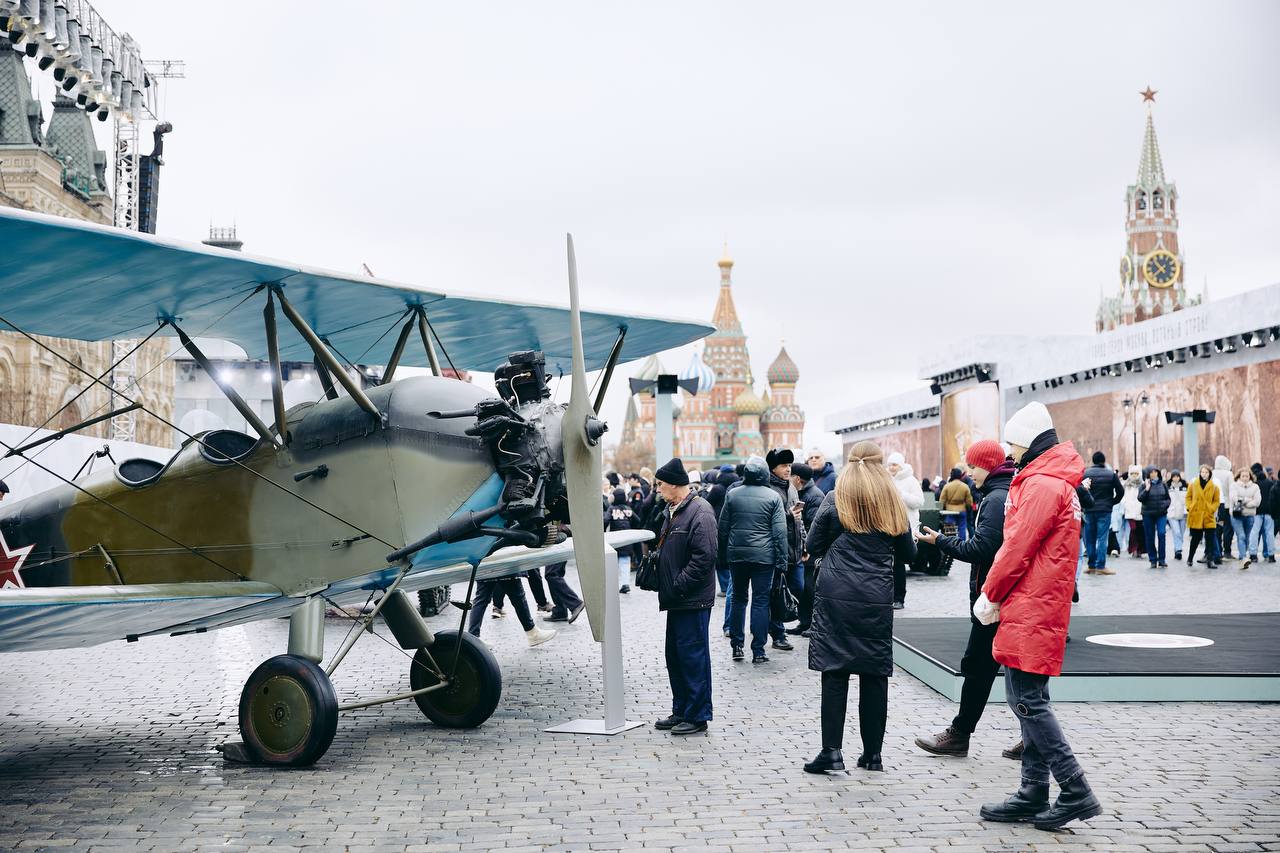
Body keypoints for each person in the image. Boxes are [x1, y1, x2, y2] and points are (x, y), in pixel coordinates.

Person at [975, 402, 1102, 831]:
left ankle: (1074, 788)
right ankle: (1033, 791)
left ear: (1027, 440)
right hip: (1036, 603)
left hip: (1032, 602)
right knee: (1026, 696)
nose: (1009, 454)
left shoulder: (1044, 484)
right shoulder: (1049, 479)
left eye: (1012, 443)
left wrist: (990, 593)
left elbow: (1016, 547)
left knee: (1027, 700)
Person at [802, 441, 914, 775]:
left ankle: (831, 753)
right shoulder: (892, 500)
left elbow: (812, 545)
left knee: (834, 671)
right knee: (874, 673)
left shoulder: (836, 498)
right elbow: (908, 553)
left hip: (836, 592)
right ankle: (872, 755)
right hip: (875, 596)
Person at [914, 439, 1017, 759]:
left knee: (979, 666)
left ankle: (960, 734)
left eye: (973, 466)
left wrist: (940, 541)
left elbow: (982, 550)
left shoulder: (996, 498)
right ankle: (1033, 737)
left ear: (987, 465)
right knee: (1010, 669)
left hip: (995, 597)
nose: (968, 472)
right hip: (1001, 596)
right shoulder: (1000, 493)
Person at [650, 457, 717, 736]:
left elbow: (705, 557)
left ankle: (698, 715)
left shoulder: (699, 511)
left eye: (661, 484)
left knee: (693, 656)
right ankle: (682, 710)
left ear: (676, 485)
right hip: (677, 598)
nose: (657, 489)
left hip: (691, 597)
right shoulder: (675, 510)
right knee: (676, 656)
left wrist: (679, 584)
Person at [718, 455, 788, 664]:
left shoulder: (733, 495)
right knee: (760, 601)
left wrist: (722, 556)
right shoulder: (773, 497)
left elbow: (723, 529)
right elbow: (779, 532)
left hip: (737, 556)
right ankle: (758, 650)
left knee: (739, 599)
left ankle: (737, 645)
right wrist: (782, 561)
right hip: (764, 558)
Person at [764, 448, 803, 651]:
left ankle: (777, 625)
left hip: (794, 548)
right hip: (776, 549)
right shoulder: (768, 488)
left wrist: (803, 542)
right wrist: (788, 516)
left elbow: (799, 518)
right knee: (776, 592)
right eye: (783, 466)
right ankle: (777, 633)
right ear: (773, 468)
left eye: (789, 465)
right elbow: (767, 521)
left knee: (797, 586)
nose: (788, 469)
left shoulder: (791, 487)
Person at [787, 462, 825, 637]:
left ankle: (811, 624)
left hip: (811, 550)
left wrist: (806, 546)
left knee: (810, 589)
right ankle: (803, 622)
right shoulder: (801, 492)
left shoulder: (814, 496)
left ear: (797, 478)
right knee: (804, 588)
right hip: (803, 548)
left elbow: (814, 526)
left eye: (790, 475)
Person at [467, 575, 558, 647]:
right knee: (517, 595)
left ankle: (473, 639)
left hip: (486, 561)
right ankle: (532, 633)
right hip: (501, 561)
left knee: (482, 598)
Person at [886, 451, 924, 609]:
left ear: (901, 465)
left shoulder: (911, 480)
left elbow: (919, 501)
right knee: (888, 564)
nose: (891, 468)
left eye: (894, 464)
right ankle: (888, 596)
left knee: (899, 564)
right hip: (888, 525)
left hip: (904, 527)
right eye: (889, 464)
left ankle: (899, 598)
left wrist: (901, 495)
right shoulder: (887, 480)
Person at [1186, 463, 1221, 568]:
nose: (1204, 474)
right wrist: (1190, 507)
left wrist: (1211, 509)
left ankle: (1210, 560)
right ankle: (1190, 557)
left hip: (1208, 515)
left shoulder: (1214, 487)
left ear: (1210, 474)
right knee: (1195, 539)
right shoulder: (1193, 484)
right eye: (1202, 472)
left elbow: (1216, 501)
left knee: (1210, 539)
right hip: (1196, 514)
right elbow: (1188, 497)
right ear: (1199, 473)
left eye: (1206, 472)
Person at [605, 487, 639, 592]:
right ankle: (625, 584)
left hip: (615, 539)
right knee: (625, 562)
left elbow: (605, 520)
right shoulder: (628, 509)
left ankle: (612, 584)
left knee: (612, 562)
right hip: (627, 539)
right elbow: (637, 520)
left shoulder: (611, 508)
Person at [1229, 468, 1262, 570]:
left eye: (1247, 476)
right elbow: (1234, 498)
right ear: (1239, 476)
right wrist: (1248, 500)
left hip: (1250, 516)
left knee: (1247, 538)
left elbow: (1257, 501)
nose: (1245, 478)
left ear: (1250, 476)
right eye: (1243, 476)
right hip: (1237, 515)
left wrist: (1243, 501)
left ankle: (1242, 557)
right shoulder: (1234, 485)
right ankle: (1243, 558)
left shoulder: (1255, 487)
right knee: (1241, 535)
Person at [1138, 467, 1171, 569]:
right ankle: (1153, 559)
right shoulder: (1144, 485)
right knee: (1149, 536)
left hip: (1161, 514)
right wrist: (1147, 489)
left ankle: (1162, 559)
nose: (1153, 474)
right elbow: (1140, 498)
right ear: (1148, 474)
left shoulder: (1163, 484)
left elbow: (1168, 499)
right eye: (1151, 472)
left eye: (1155, 472)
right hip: (1148, 514)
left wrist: (1164, 505)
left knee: (1162, 534)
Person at [1250, 462, 1276, 563]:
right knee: (1269, 533)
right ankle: (1271, 555)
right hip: (1269, 512)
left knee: (1254, 533)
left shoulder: (1254, 484)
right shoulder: (1270, 483)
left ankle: (1253, 555)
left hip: (1256, 511)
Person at [939, 468, 975, 541]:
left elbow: (942, 500)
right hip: (962, 510)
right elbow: (969, 501)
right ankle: (962, 544)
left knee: (950, 529)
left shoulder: (947, 486)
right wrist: (969, 508)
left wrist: (940, 509)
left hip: (950, 511)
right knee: (962, 528)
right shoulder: (965, 486)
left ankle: (950, 543)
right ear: (960, 476)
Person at [1212, 455, 1234, 560]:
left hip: (1216, 505)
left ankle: (1218, 551)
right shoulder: (1229, 474)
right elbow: (1232, 490)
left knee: (1217, 529)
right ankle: (1227, 552)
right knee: (1228, 529)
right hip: (1227, 504)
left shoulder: (1212, 473)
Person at [1120, 465, 1146, 557]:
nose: (1134, 475)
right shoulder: (1126, 484)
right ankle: (1133, 549)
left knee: (1140, 530)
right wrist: (1125, 505)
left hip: (1140, 511)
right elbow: (1123, 497)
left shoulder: (1143, 484)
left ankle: (1140, 550)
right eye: (1132, 473)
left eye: (1136, 473)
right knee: (1133, 529)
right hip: (1130, 511)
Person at [1166, 471, 1188, 561]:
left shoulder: (1185, 487)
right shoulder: (1167, 487)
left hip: (1183, 513)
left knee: (1181, 534)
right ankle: (1179, 550)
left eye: (1177, 477)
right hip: (1172, 513)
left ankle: (1177, 549)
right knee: (1177, 532)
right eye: (1174, 477)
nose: (1175, 478)